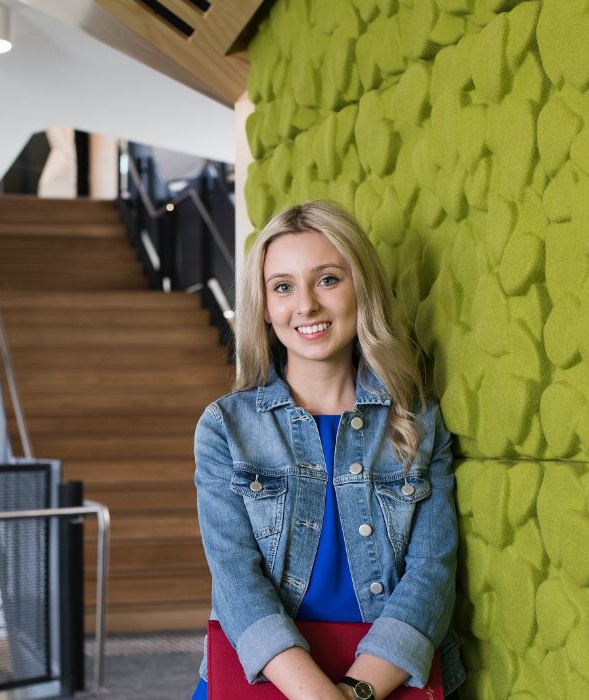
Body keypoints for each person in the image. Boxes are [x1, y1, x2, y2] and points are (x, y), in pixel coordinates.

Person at [193, 201, 465, 699]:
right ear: (266, 306)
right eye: (283, 287)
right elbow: (235, 578)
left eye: (327, 279)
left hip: (388, 681)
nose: (306, 306)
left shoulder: (418, 421)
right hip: (266, 677)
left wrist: (356, 692)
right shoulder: (225, 427)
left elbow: (433, 571)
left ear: (361, 287)